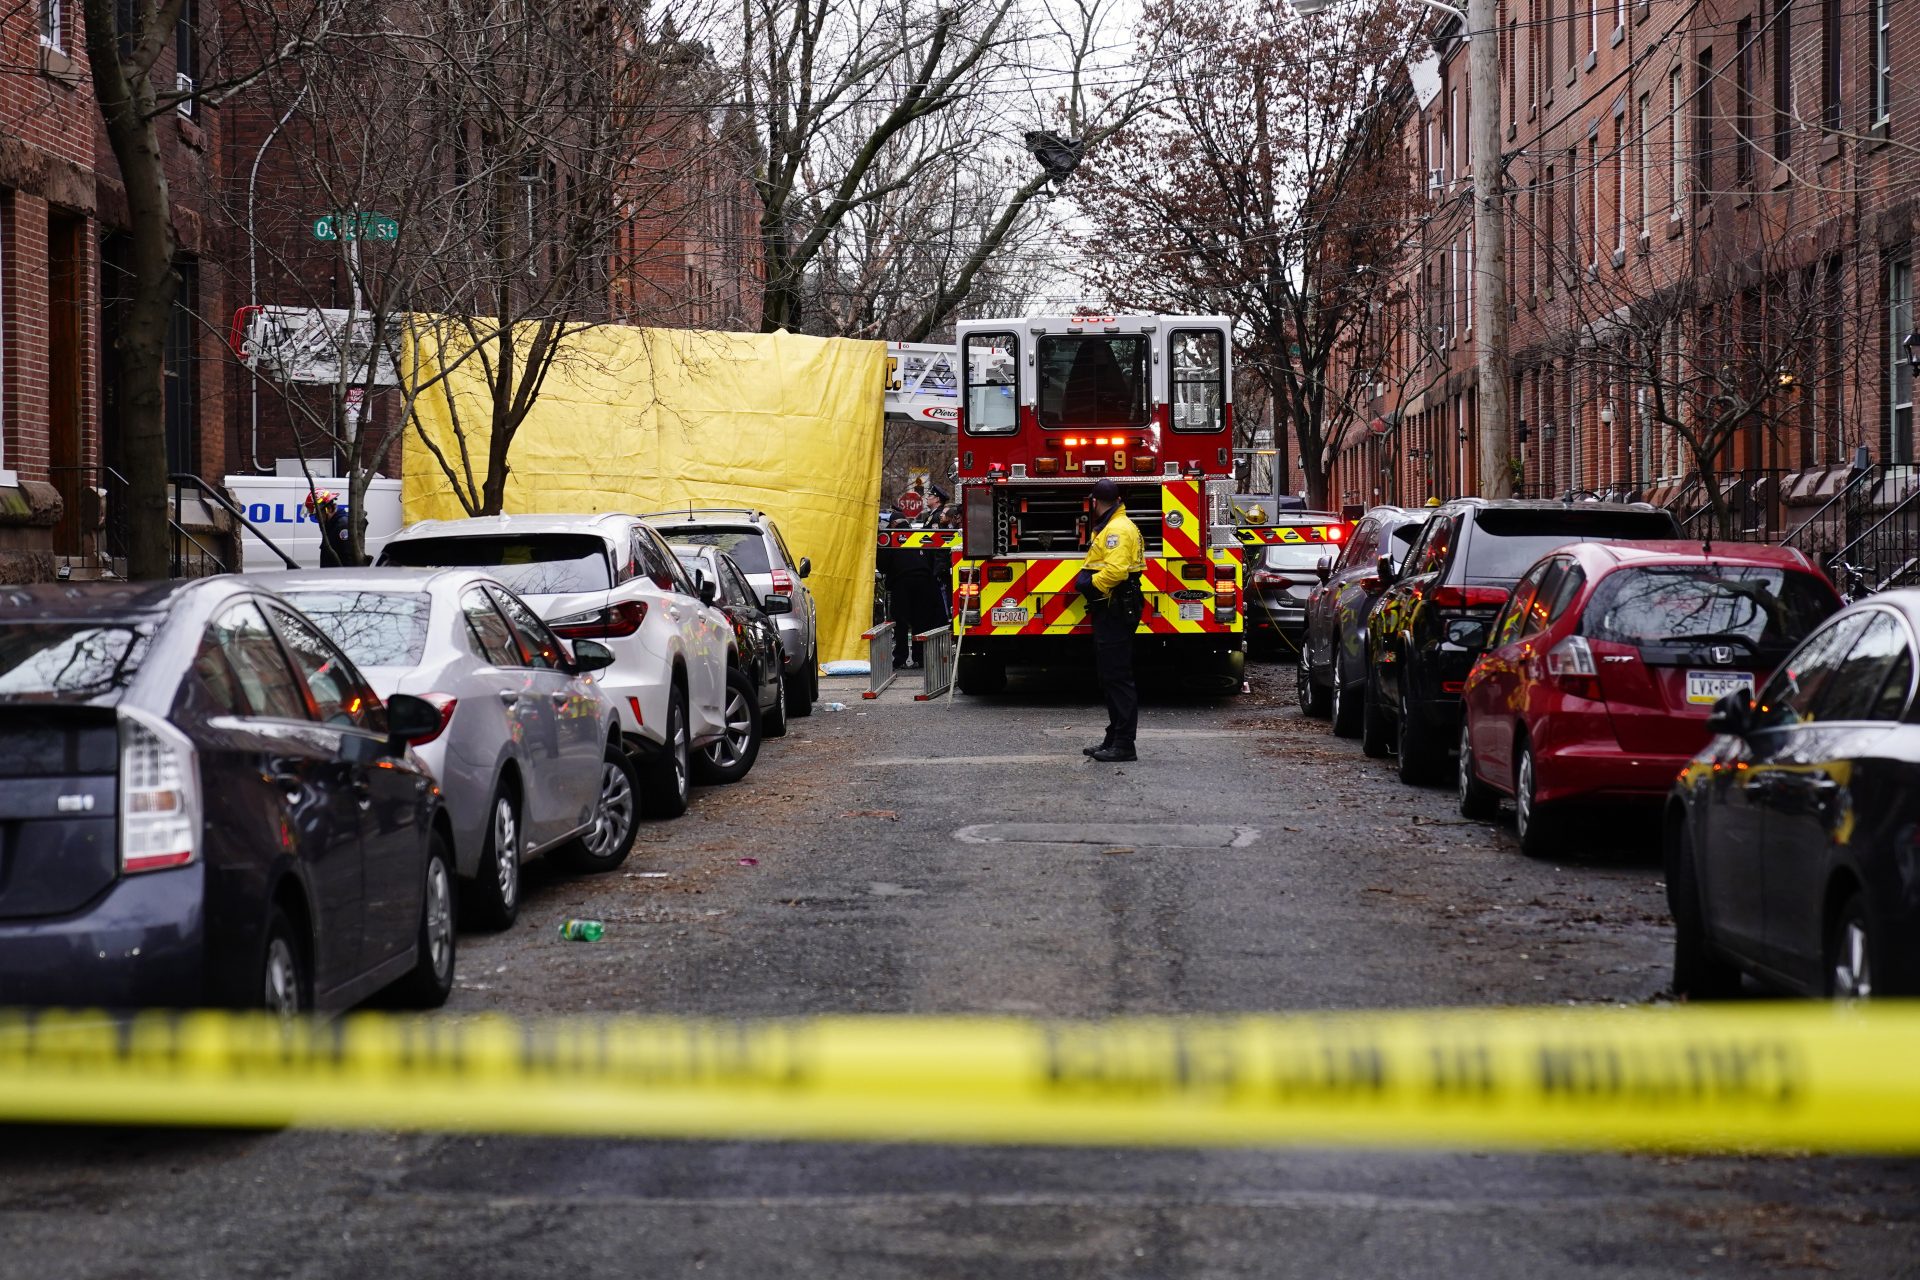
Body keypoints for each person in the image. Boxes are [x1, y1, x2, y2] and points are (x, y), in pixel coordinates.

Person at [1074, 477, 1145, 762]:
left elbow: (1115, 572)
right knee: (1110, 676)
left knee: (1117, 677)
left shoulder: (1116, 530)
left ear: (1095, 501)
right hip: (1113, 606)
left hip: (1115, 606)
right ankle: (1114, 737)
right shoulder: (1116, 525)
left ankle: (1124, 744)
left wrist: (1093, 587)